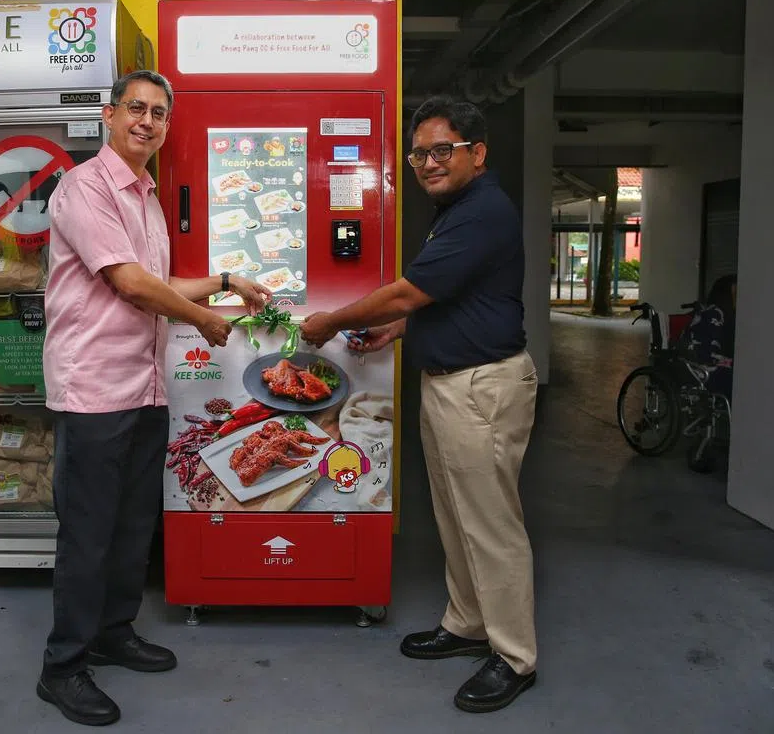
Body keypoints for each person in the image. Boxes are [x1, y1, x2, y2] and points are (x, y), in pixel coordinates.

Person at [38, 69, 270, 727]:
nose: (148, 120)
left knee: (135, 521)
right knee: (88, 533)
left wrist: (227, 280)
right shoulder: (84, 188)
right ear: (108, 117)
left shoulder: (145, 195)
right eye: (136, 108)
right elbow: (132, 284)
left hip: (145, 384)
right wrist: (202, 320)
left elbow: (160, 280)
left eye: (159, 113)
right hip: (95, 389)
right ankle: (63, 667)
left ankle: (113, 632)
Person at [301, 95, 539, 714]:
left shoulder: (481, 210)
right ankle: (465, 624)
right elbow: (453, 300)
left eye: (442, 151)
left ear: (476, 154)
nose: (428, 163)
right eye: (419, 154)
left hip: (481, 387)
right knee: (455, 515)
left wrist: (332, 321)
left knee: (491, 524)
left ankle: (513, 656)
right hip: (449, 382)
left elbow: (409, 290)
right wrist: (398, 331)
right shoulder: (456, 210)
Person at [683, 273, 737, 399]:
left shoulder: (728, 315)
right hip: (701, 366)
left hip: (714, 362)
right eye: (735, 294)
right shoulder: (713, 314)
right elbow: (706, 350)